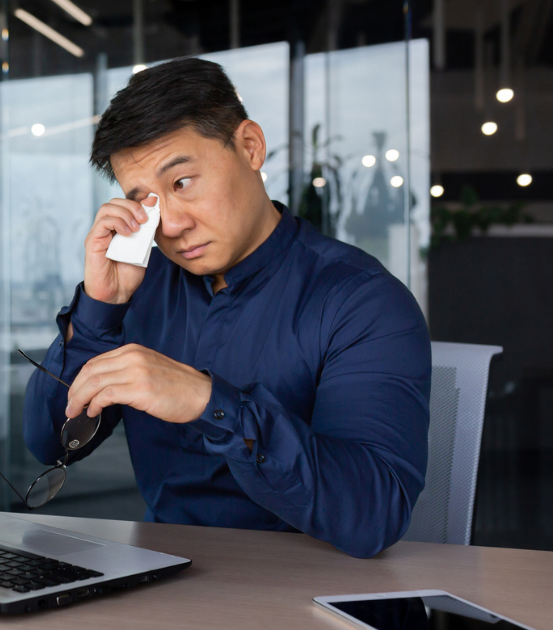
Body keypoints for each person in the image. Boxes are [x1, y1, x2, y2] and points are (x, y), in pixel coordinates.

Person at [22, 58, 431, 559]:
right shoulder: (139, 290)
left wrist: (209, 402)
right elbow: (49, 444)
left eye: (182, 183)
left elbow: (374, 512)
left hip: (311, 589)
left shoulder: (360, 299)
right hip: (164, 578)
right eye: (146, 201)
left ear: (250, 147)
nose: (169, 224)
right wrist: (98, 309)